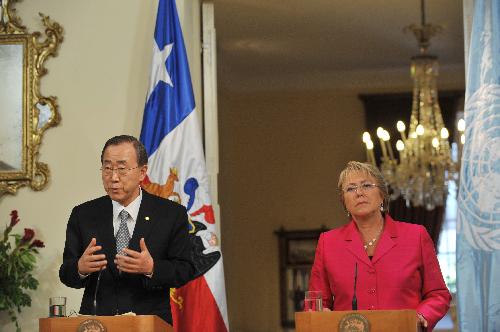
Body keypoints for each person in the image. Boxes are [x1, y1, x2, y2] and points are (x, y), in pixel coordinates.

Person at [59, 135, 194, 325]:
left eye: (122, 169)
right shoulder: (83, 214)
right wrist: (80, 268)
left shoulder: (171, 214)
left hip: (148, 323)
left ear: (142, 172)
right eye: (107, 168)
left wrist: (152, 268)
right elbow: (66, 273)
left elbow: (185, 270)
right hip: (96, 325)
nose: (113, 177)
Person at [309, 161, 451, 331]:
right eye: (351, 188)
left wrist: (421, 316)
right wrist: (321, 314)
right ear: (344, 201)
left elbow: (438, 294)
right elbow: (316, 301)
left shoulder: (415, 236)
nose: (359, 193)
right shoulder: (328, 242)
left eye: (367, 185)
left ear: (382, 195)